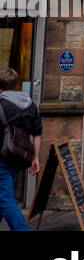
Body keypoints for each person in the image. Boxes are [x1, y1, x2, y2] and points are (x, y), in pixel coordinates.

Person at [0, 67, 41, 232]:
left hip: (2, 157)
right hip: (19, 158)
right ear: (16, 85)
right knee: (3, 195)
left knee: (5, 199)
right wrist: (35, 158)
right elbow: (37, 134)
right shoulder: (31, 105)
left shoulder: (2, 106)